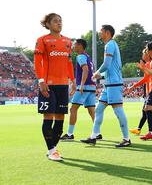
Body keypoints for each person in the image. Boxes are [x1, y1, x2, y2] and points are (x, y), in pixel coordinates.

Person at [34, 13, 76, 161]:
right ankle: (52, 150)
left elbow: (69, 62)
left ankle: (52, 148)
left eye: (60, 21)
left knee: (60, 121)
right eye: (55, 21)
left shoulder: (67, 41)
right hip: (48, 86)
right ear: (48, 24)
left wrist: (73, 80)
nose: (59, 23)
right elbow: (37, 62)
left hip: (63, 85)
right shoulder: (42, 40)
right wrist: (40, 81)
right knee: (48, 117)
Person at [80, 25, 131, 147]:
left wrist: (97, 73)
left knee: (118, 110)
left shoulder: (110, 45)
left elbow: (107, 64)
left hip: (114, 84)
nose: (99, 33)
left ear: (107, 33)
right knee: (98, 109)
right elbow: (109, 66)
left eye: (101, 31)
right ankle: (94, 135)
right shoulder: (110, 45)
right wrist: (101, 76)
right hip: (109, 84)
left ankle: (126, 138)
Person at [60, 39, 96, 141]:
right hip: (92, 87)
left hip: (84, 87)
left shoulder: (80, 56)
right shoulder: (87, 56)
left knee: (73, 109)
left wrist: (82, 84)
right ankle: (97, 133)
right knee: (92, 111)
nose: (73, 46)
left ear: (80, 45)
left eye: (75, 44)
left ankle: (70, 134)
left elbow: (85, 69)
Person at [126, 49, 152, 135]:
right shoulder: (148, 64)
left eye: (143, 54)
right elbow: (146, 79)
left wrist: (133, 86)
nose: (142, 56)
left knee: (148, 111)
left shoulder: (148, 64)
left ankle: (151, 132)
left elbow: (146, 79)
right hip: (150, 91)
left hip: (151, 91)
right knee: (146, 111)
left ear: (147, 55)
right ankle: (139, 129)